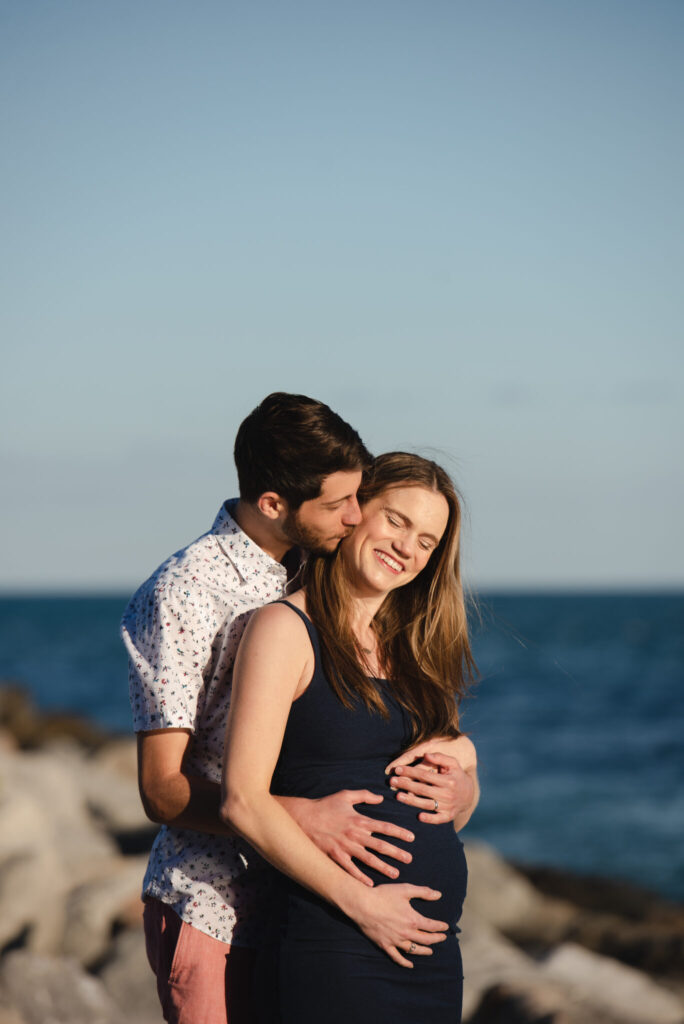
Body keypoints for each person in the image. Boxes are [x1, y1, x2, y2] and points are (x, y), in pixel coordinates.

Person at [122, 396, 476, 1024]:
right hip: (217, 904)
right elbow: (162, 789)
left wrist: (464, 768)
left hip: (306, 907)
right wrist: (298, 817)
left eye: (358, 498)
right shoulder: (187, 592)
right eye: (348, 506)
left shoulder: (318, 575)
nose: (353, 516)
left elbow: (379, 741)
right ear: (275, 504)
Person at [221, 452, 478, 1024]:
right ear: (355, 511)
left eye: (428, 541)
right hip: (334, 943)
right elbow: (242, 801)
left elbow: (448, 799)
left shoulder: (414, 651)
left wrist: (467, 785)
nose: (408, 547)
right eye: (397, 521)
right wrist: (365, 907)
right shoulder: (284, 629)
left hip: (430, 955)